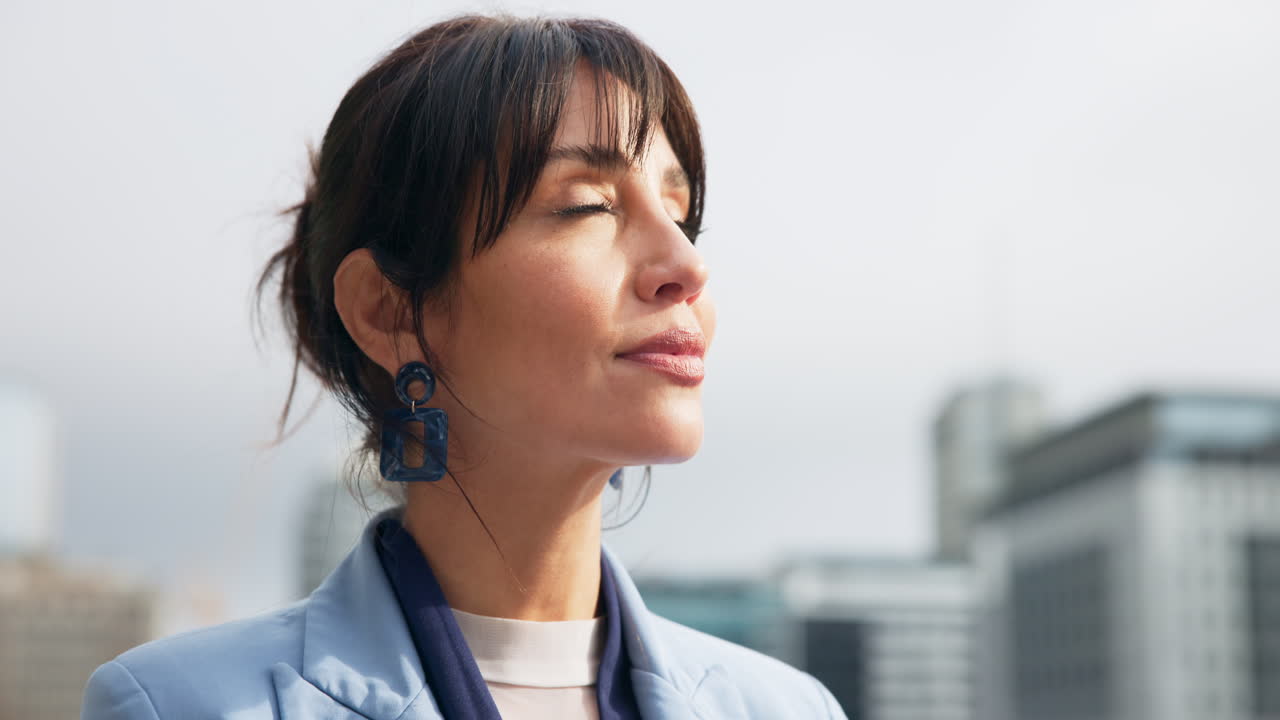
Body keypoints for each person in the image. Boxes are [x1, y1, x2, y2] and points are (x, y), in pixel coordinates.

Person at [80, 13, 847, 720]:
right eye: (588, 205)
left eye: (680, 215)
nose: (685, 265)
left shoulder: (787, 707)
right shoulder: (179, 704)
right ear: (389, 311)